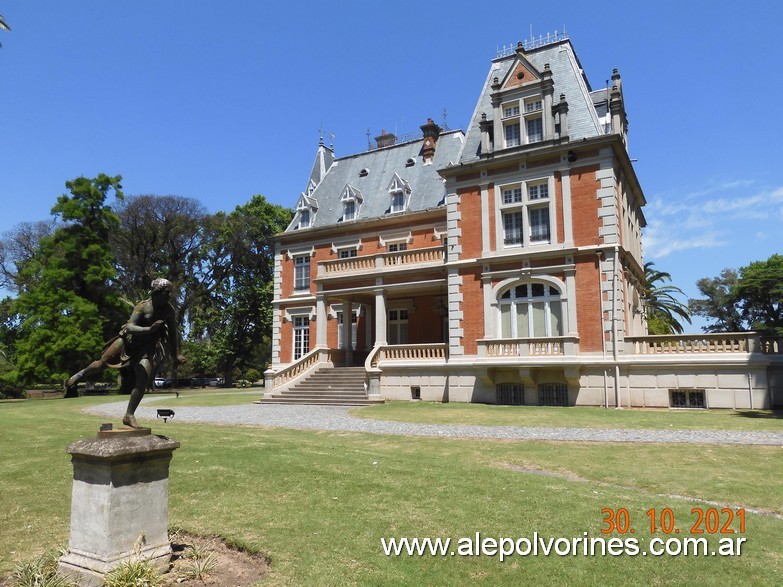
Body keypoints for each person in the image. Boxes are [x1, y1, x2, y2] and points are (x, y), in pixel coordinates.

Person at [65, 278, 186, 428]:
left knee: (143, 379)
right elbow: (129, 327)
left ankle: (129, 415)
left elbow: (173, 333)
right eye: (167, 292)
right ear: (157, 292)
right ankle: (80, 375)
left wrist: (176, 354)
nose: (169, 295)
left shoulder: (169, 310)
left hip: (145, 349)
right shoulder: (143, 307)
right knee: (101, 364)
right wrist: (149, 329)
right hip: (127, 343)